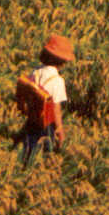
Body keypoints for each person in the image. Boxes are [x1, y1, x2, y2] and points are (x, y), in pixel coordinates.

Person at [17, 33, 73, 167]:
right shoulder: (57, 81)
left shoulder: (36, 71)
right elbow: (56, 108)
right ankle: (41, 169)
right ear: (62, 62)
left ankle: (24, 163)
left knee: (29, 142)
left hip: (33, 116)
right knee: (45, 147)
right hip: (47, 122)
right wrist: (59, 128)